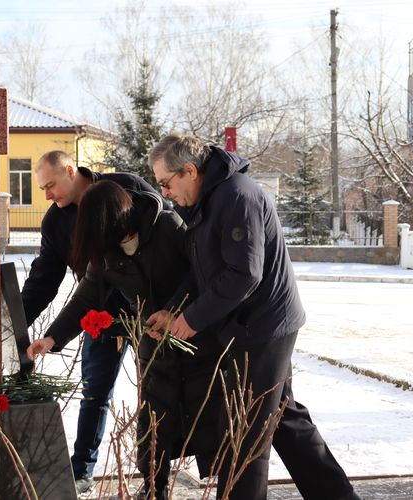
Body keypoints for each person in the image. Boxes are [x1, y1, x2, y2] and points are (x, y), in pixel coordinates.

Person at [146, 134, 361, 500]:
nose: (164, 193)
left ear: (190, 171)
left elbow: (244, 273)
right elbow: (203, 271)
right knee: (283, 420)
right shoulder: (209, 199)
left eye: (166, 183)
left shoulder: (236, 195)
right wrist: (175, 309)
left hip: (262, 327)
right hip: (248, 323)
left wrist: (192, 319)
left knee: (244, 429)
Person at [27, 180, 222, 500]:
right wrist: (52, 338)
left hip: (193, 332)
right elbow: (85, 298)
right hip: (152, 341)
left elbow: (201, 271)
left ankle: (228, 485)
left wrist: (175, 311)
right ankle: (154, 488)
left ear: (111, 220)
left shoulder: (166, 225)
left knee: (208, 412)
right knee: (153, 416)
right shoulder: (106, 250)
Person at [17, 151, 159, 494]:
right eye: (42, 189)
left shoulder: (123, 188)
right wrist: (16, 322)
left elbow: (159, 245)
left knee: (155, 395)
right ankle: (81, 471)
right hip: (98, 317)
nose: (47, 195)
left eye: (50, 185)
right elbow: (45, 280)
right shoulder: (55, 222)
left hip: (152, 314)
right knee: (94, 393)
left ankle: (155, 477)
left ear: (71, 171)